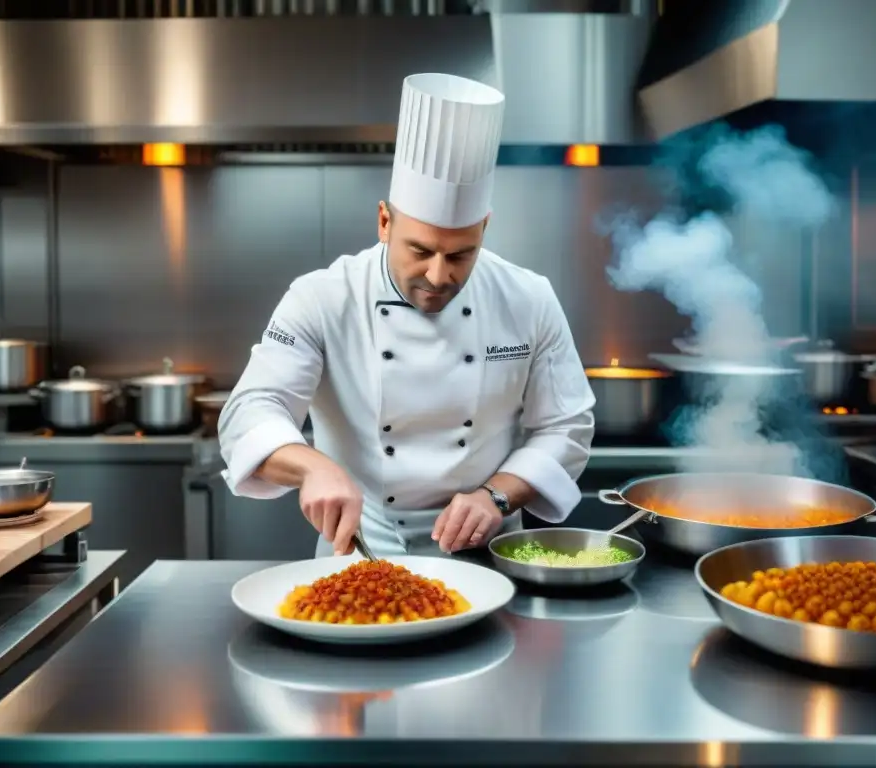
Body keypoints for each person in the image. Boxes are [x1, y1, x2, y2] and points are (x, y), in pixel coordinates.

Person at [218, 72, 596, 558]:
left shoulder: (528, 298)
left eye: (461, 254)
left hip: (492, 559)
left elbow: (566, 426)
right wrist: (312, 466)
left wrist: (497, 495)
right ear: (383, 221)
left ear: (484, 227)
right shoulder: (322, 298)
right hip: (361, 556)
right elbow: (250, 411)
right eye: (419, 250)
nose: (438, 276)